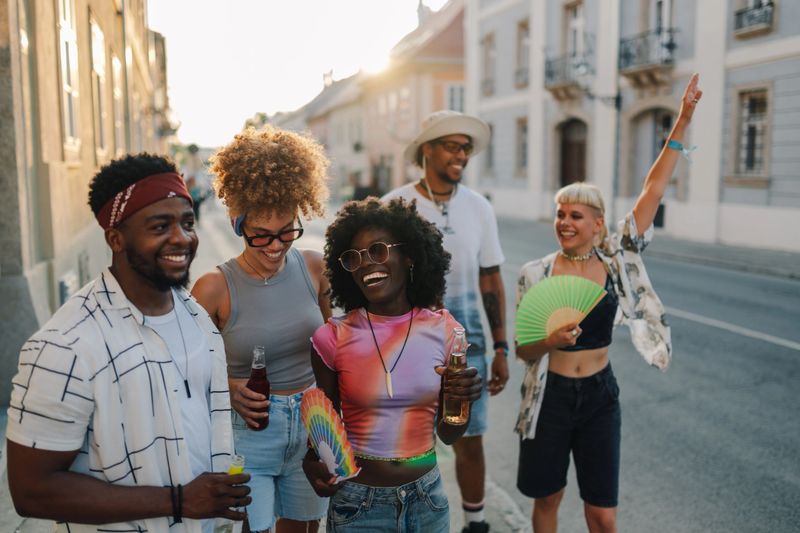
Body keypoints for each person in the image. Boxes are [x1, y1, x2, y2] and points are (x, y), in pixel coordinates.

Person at [5, 153, 250, 533]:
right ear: (115, 238)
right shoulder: (65, 345)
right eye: (160, 225)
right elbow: (32, 490)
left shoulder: (194, 314)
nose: (182, 238)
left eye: (187, 222)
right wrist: (180, 501)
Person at [514, 74, 703, 533]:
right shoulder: (535, 273)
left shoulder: (618, 257)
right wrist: (549, 338)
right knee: (548, 500)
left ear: (598, 224)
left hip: (599, 396)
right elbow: (524, 351)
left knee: (602, 514)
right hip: (550, 398)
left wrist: (683, 119)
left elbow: (652, 190)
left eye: (575, 215)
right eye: (560, 213)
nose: (564, 222)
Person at [304, 197, 483, 532]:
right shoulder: (332, 338)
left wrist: (464, 400)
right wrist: (313, 464)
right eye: (353, 257)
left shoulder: (445, 331)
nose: (365, 264)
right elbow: (322, 431)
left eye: (378, 250)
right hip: (358, 506)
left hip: (427, 500)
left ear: (409, 255)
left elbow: (449, 433)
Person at [191, 126, 331, 533]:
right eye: (261, 235)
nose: (275, 245)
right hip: (250, 434)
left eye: (287, 231)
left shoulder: (313, 268)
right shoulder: (214, 289)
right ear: (238, 224)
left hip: (310, 426)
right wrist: (230, 387)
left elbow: (328, 347)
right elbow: (188, 374)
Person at [382, 110, 509, 533]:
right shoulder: (395, 206)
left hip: (466, 341)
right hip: (407, 341)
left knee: (469, 436)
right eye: (453, 146)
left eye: (466, 148)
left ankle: (476, 523)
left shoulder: (479, 208)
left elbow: (491, 278)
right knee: (409, 441)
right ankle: (407, 519)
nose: (461, 155)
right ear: (428, 150)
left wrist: (502, 347)